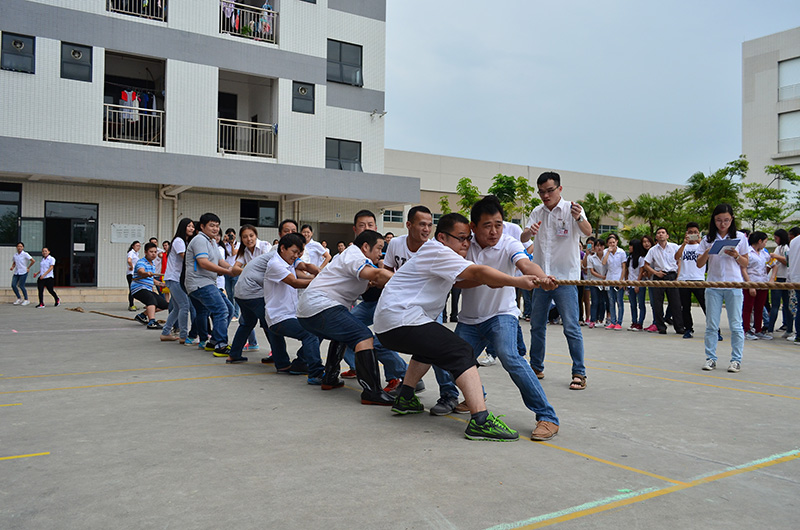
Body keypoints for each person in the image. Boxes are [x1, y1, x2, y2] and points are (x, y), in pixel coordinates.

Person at [374, 213, 545, 442]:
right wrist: (516, 281)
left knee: (428, 349)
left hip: (390, 325)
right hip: (402, 319)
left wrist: (495, 280)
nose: (466, 243)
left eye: (468, 238)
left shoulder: (435, 254)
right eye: (461, 238)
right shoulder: (438, 251)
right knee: (463, 351)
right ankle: (480, 421)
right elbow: (476, 272)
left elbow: (469, 279)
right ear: (443, 237)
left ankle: (405, 397)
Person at [449, 197, 560, 440]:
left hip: (501, 315)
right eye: (487, 225)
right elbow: (459, 281)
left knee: (510, 357)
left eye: (498, 224)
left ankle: (547, 417)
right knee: (450, 360)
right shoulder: (465, 247)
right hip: (468, 320)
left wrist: (542, 278)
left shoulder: (509, 243)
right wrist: (494, 278)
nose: (494, 231)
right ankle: (476, 397)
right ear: (473, 227)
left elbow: (525, 265)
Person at [297, 229, 395, 405]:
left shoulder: (355, 260)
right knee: (363, 336)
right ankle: (371, 391)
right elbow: (377, 275)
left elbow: (369, 282)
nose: (380, 254)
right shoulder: (355, 255)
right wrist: (404, 281)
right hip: (321, 306)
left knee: (344, 334)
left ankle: (330, 378)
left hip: (311, 310)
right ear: (366, 246)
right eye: (379, 248)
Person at [521, 171, 592, 390]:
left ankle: (579, 372)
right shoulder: (537, 212)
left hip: (566, 279)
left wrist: (580, 217)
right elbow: (523, 238)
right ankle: (536, 367)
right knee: (536, 325)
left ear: (559, 189)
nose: (545, 195)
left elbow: (588, 232)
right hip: (542, 278)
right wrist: (528, 231)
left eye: (549, 191)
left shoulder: (573, 209)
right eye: (541, 192)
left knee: (571, 327)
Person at [328, 210, 411, 393]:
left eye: (370, 224)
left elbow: (389, 274)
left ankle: (399, 376)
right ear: (355, 229)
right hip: (366, 303)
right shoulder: (352, 251)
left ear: (375, 226)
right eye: (362, 225)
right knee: (344, 332)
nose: (366, 227)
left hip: (384, 302)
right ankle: (360, 367)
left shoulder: (384, 248)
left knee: (377, 340)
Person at [383, 206, 454, 409]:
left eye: (429, 225)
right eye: (422, 224)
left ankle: (449, 394)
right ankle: (407, 384)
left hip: (429, 307)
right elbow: (387, 270)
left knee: (435, 348)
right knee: (375, 339)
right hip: (401, 306)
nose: (426, 229)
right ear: (408, 225)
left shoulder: (434, 248)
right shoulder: (396, 244)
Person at [229, 219, 300, 365]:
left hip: (243, 291)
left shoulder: (269, 248)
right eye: (245, 236)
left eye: (251, 236)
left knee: (247, 323)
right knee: (272, 323)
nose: (249, 239)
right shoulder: (275, 249)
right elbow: (287, 275)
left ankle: (234, 354)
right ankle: (281, 362)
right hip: (253, 291)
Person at [263, 233, 325, 383]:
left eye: (299, 253)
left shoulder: (289, 260)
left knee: (322, 328)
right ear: (282, 248)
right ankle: (315, 373)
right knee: (310, 333)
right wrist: (320, 282)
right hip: (278, 318)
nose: (296, 256)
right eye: (294, 252)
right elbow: (294, 282)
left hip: (291, 314)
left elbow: (305, 265)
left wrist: (317, 271)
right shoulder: (275, 264)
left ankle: (300, 364)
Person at [696, 204, 749, 372]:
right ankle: (710, 358)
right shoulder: (707, 239)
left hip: (734, 284)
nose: (723, 224)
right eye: (719, 220)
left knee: (736, 324)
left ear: (732, 219)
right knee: (711, 324)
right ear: (714, 220)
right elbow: (699, 264)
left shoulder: (740, 237)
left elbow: (746, 263)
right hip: (713, 285)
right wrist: (709, 251)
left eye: (726, 220)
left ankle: (736, 360)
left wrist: (737, 256)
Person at [185, 213, 235, 357]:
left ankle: (213, 342)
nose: (215, 229)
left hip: (207, 283)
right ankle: (221, 345)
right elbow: (203, 263)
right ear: (202, 226)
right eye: (211, 225)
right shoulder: (200, 240)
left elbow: (221, 262)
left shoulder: (212, 242)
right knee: (221, 310)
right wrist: (226, 272)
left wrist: (233, 269)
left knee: (229, 309)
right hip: (200, 284)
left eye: (217, 226)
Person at [643, 227, 685, 335]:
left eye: (663, 233)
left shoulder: (674, 246)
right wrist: (656, 273)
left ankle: (679, 327)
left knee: (676, 303)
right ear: (656, 237)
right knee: (657, 303)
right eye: (658, 233)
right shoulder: (653, 250)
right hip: (659, 276)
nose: (661, 234)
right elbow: (646, 265)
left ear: (667, 235)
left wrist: (677, 277)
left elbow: (679, 262)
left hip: (672, 276)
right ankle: (661, 327)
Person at [161, 218, 195, 344]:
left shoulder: (183, 241)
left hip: (174, 278)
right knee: (185, 306)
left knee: (176, 308)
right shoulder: (179, 241)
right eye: (189, 226)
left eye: (192, 226)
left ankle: (165, 333)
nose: (191, 228)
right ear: (183, 227)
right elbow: (185, 258)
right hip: (175, 278)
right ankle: (183, 335)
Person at [674, 222, 707, 339]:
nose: (692, 234)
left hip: (699, 280)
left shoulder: (702, 247)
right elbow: (676, 257)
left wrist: (700, 242)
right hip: (684, 279)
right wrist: (684, 243)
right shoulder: (682, 247)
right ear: (686, 233)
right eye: (690, 232)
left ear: (699, 233)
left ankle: (714, 329)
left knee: (706, 305)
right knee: (685, 307)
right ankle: (688, 329)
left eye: (695, 232)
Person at [130, 242, 169, 330]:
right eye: (151, 252)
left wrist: (161, 284)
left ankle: (142, 315)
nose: (153, 254)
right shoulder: (141, 262)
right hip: (138, 289)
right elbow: (141, 271)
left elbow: (152, 280)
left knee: (165, 305)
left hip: (147, 289)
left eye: (155, 252)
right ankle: (152, 322)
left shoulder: (152, 264)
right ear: (145, 252)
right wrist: (145, 273)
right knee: (151, 300)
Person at [742, 231, 772, 340]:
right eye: (765, 242)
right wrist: (750, 285)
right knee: (748, 307)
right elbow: (743, 269)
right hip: (751, 282)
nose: (765, 244)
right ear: (759, 241)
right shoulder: (748, 253)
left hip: (762, 283)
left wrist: (771, 279)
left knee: (759, 308)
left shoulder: (764, 253)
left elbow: (773, 264)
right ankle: (746, 330)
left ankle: (758, 329)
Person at [767, 229, 791, 337]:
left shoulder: (786, 248)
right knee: (775, 305)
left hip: (785, 278)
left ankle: (789, 329)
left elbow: (787, 262)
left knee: (787, 305)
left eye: (776, 238)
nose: (775, 240)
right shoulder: (778, 248)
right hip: (778, 278)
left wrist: (775, 256)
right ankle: (770, 329)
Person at [602, 234, 626, 329]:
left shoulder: (621, 252)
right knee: (611, 302)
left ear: (617, 242)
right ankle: (612, 321)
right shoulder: (605, 252)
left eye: (613, 242)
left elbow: (624, 267)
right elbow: (604, 263)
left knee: (619, 302)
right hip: (609, 279)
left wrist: (621, 281)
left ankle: (619, 322)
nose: (612, 244)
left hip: (619, 279)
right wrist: (608, 252)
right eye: (610, 243)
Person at [585, 238, 607, 329]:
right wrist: (602, 277)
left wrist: (606, 277)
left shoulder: (607, 256)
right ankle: (592, 320)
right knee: (595, 301)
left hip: (605, 282)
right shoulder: (591, 258)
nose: (599, 248)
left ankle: (600, 319)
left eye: (601, 246)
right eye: (597, 246)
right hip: (594, 281)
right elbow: (591, 270)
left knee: (602, 302)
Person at [626, 239, 647, 331]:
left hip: (638, 284)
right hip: (630, 284)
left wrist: (637, 284)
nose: (629, 248)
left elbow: (641, 272)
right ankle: (634, 322)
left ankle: (640, 323)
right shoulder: (629, 258)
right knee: (632, 304)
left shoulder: (641, 258)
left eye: (631, 246)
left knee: (641, 304)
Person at [223, 228, 240, 321]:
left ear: (235, 236)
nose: (230, 237)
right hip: (226, 271)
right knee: (229, 293)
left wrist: (232, 243)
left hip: (235, 271)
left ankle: (236, 314)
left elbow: (234, 253)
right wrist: (224, 242)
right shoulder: (224, 245)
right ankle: (231, 312)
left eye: (232, 235)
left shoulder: (239, 244)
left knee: (235, 293)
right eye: (228, 235)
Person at [10, 242, 34, 306]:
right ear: (16, 247)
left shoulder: (25, 254)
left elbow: (33, 260)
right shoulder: (15, 255)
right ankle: (19, 298)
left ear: (23, 247)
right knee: (13, 285)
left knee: (21, 286)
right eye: (18, 246)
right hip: (17, 272)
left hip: (23, 272)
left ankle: (26, 299)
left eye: (21, 246)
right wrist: (12, 267)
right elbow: (14, 262)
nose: (19, 247)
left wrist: (28, 267)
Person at [126, 241, 140, 311]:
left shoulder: (136, 253)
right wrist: (131, 266)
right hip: (131, 274)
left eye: (139, 246)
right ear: (133, 246)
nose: (138, 247)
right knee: (131, 289)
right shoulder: (131, 253)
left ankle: (133, 304)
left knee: (134, 289)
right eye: (137, 246)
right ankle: (131, 305)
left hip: (135, 274)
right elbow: (129, 260)